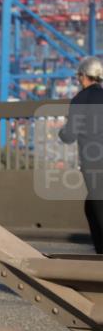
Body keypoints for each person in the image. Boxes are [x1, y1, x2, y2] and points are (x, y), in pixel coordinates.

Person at [59, 56, 103, 254]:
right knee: (91, 207)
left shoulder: (80, 100)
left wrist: (62, 130)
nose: (78, 79)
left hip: (93, 162)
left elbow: (68, 136)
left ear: (84, 76)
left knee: (97, 206)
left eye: (78, 76)